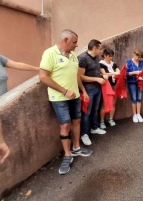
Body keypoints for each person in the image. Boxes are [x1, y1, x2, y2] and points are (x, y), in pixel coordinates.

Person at [39, 29, 93, 175]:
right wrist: (64, 91)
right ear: (65, 40)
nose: (76, 45)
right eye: (74, 42)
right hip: (60, 98)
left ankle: (76, 148)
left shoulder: (73, 56)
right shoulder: (50, 53)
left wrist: (83, 91)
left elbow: (76, 75)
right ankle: (67, 155)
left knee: (77, 121)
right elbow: (43, 77)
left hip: (74, 96)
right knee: (65, 124)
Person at [78, 39, 107, 146]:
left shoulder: (96, 58)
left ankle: (94, 128)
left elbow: (96, 71)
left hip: (97, 88)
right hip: (88, 89)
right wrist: (96, 79)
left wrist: (102, 75)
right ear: (94, 48)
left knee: (95, 109)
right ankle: (84, 134)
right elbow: (80, 76)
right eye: (100, 49)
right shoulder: (83, 58)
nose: (101, 51)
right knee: (86, 112)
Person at [99, 48, 120, 129]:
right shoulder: (101, 64)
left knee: (113, 103)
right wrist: (115, 73)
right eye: (109, 56)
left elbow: (119, 72)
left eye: (112, 56)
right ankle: (102, 121)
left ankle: (111, 119)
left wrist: (115, 73)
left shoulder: (113, 64)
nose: (111, 58)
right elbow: (105, 74)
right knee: (104, 104)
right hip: (106, 86)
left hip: (114, 85)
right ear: (105, 55)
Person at [126, 49, 143, 123]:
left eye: (140, 57)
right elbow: (126, 73)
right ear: (134, 55)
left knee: (139, 98)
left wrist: (142, 76)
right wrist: (135, 72)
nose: (139, 59)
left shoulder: (142, 62)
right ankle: (134, 114)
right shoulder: (129, 62)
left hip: (140, 82)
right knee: (134, 98)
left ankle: (138, 114)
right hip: (132, 82)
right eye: (138, 57)